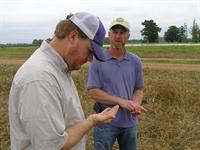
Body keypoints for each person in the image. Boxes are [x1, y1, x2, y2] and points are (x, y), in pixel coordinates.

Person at [8, 12, 119, 150]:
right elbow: (50, 146)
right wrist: (90, 122)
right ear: (73, 37)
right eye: (90, 51)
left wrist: (91, 121)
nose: (90, 59)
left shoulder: (59, 69)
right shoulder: (40, 77)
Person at [87, 17, 148, 150]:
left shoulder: (135, 61)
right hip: (105, 121)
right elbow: (93, 92)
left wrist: (135, 105)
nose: (118, 36)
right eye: (115, 32)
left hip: (129, 122)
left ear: (128, 36)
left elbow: (138, 89)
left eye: (122, 33)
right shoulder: (97, 60)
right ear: (109, 35)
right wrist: (121, 101)